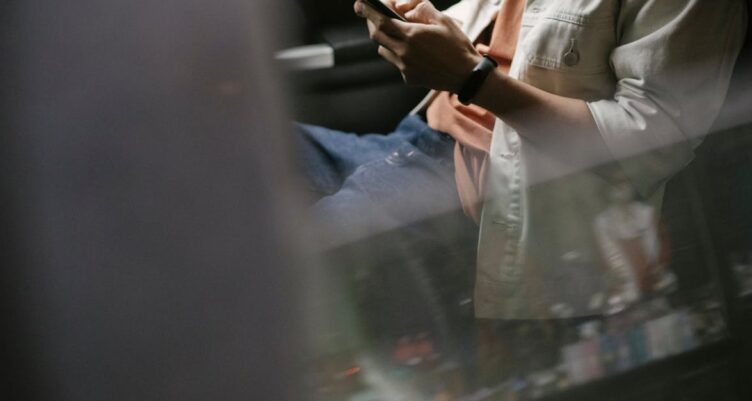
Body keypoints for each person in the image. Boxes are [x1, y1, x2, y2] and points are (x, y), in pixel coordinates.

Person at [296, 0, 747, 322]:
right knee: (235, 150)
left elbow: (649, 140)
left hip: (471, 191)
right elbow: (512, 34)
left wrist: (471, 79)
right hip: (418, 138)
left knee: (275, 265)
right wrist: (426, 26)